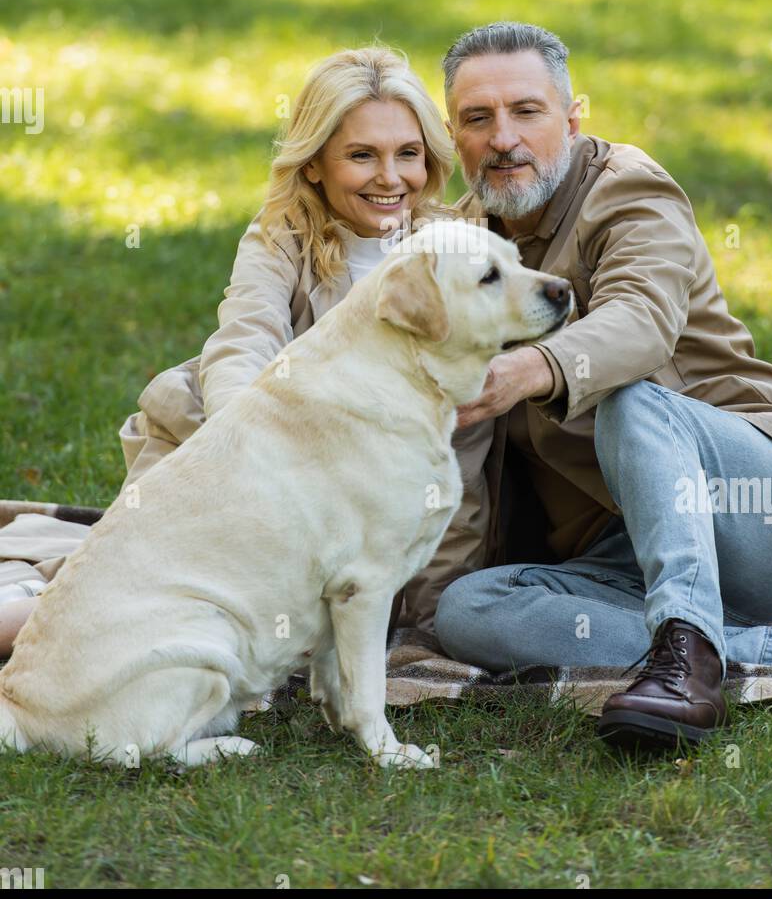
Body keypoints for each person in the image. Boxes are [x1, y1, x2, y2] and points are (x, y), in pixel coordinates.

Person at [420, 20, 772, 751]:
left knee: (626, 397)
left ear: (570, 120)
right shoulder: (465, 247)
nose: (503, 137)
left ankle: (686, 668)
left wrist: (529, 369)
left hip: (759, 518)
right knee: (464, 612)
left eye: (526, 111)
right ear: (453, 135)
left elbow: (640, 323)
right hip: (623, 548)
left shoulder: (628, 189)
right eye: (478, 118)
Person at [0, 45, 490, 655]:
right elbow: (246, 334)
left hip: (353, 492)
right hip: (244, 451)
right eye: (362, 155)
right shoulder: (282, 233)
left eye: (408, 154)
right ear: (314, 164)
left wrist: (429, 609)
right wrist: (243, 450)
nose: (390, 177)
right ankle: (33, 622)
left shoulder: (452, 248)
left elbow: (458, 448)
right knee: (140, 597)